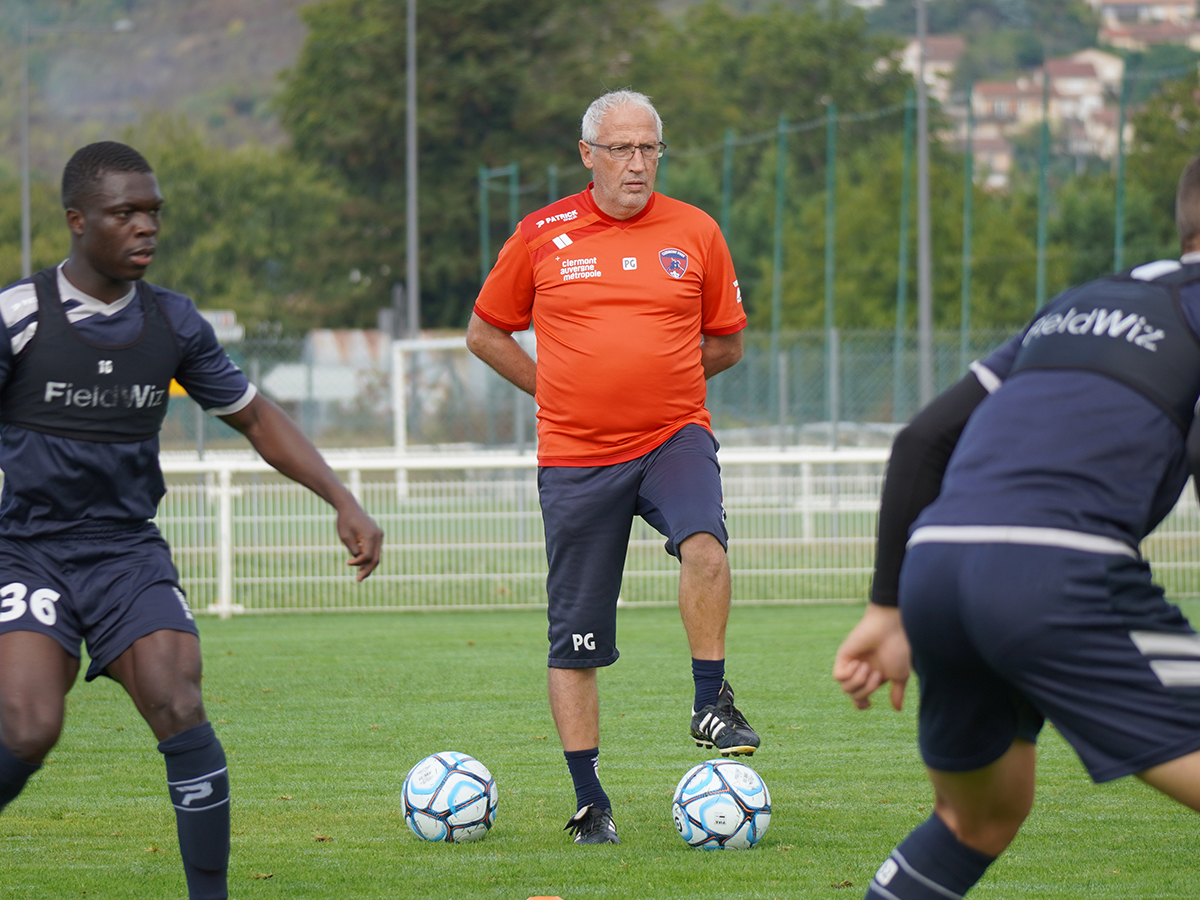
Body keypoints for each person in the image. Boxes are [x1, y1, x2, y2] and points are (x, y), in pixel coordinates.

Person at [0, 142, 383, 900]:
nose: (146, 227)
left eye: (153, 213)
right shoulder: (18, 317)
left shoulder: (173, 322)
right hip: (26, 551)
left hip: (125, 552)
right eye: (125, 213)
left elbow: (255, 418)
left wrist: (342, 498)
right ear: (79, 222)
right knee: (30, 726)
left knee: (179, 699)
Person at [833, 153, 1200, 900]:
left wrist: (887, 607)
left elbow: (922, 441)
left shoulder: (1083, 302)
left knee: (977, 820)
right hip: (1059, 576)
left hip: (935, 569)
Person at [466, 89, 755, 845]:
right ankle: (590, 801)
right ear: (587, 154)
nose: (637, 164)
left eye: (649, 149)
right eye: (622, 149)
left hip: (673, 437)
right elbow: (485, 332)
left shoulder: (696, 231)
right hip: (576, 456)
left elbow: (725, 342)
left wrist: (665, 383)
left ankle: (710, 701)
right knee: (577, 640)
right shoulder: (541, 233)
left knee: (706, 545)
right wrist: (555, 387)